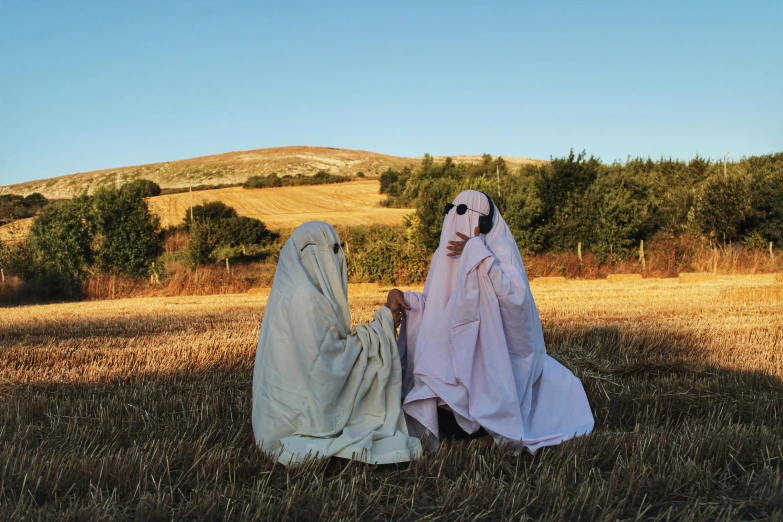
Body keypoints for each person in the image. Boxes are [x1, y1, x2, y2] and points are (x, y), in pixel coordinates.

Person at [386, 190, 594, 454]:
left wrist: (478, 254)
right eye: (450, 210)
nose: (453, 218)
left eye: (462, 212)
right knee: (438, 366)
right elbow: (436, 305)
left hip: (496, 361)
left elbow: (516, 302)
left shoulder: (497, 251)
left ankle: (487, 429)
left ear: (485, 221)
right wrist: (406, 300)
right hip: (450, 361)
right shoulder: (443, 254)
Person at [251, 221, 421, 465]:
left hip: (276, 417)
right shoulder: (306, 298)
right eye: (333, 250)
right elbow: (331, 365)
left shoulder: (293, 291)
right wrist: (383, 323)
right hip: (300, 420)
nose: (338, 258)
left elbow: (328, 353)